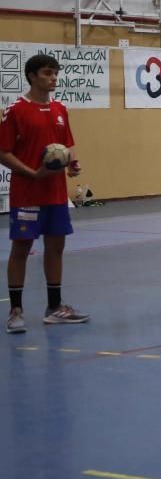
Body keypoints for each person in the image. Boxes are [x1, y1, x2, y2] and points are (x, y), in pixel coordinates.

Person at [1, 54, 89, 334]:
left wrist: (72, 163)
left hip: (55, 194)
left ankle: (54, 308)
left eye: (55, 74)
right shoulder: (15, 110)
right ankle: (16, 311)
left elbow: (66, 145)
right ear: (32, 76)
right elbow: (3, 152)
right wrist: (32, 173)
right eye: (47, 73)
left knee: (56, 247)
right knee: (21, 248)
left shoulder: (61, 109)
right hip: (27, 193)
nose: (53, 78)